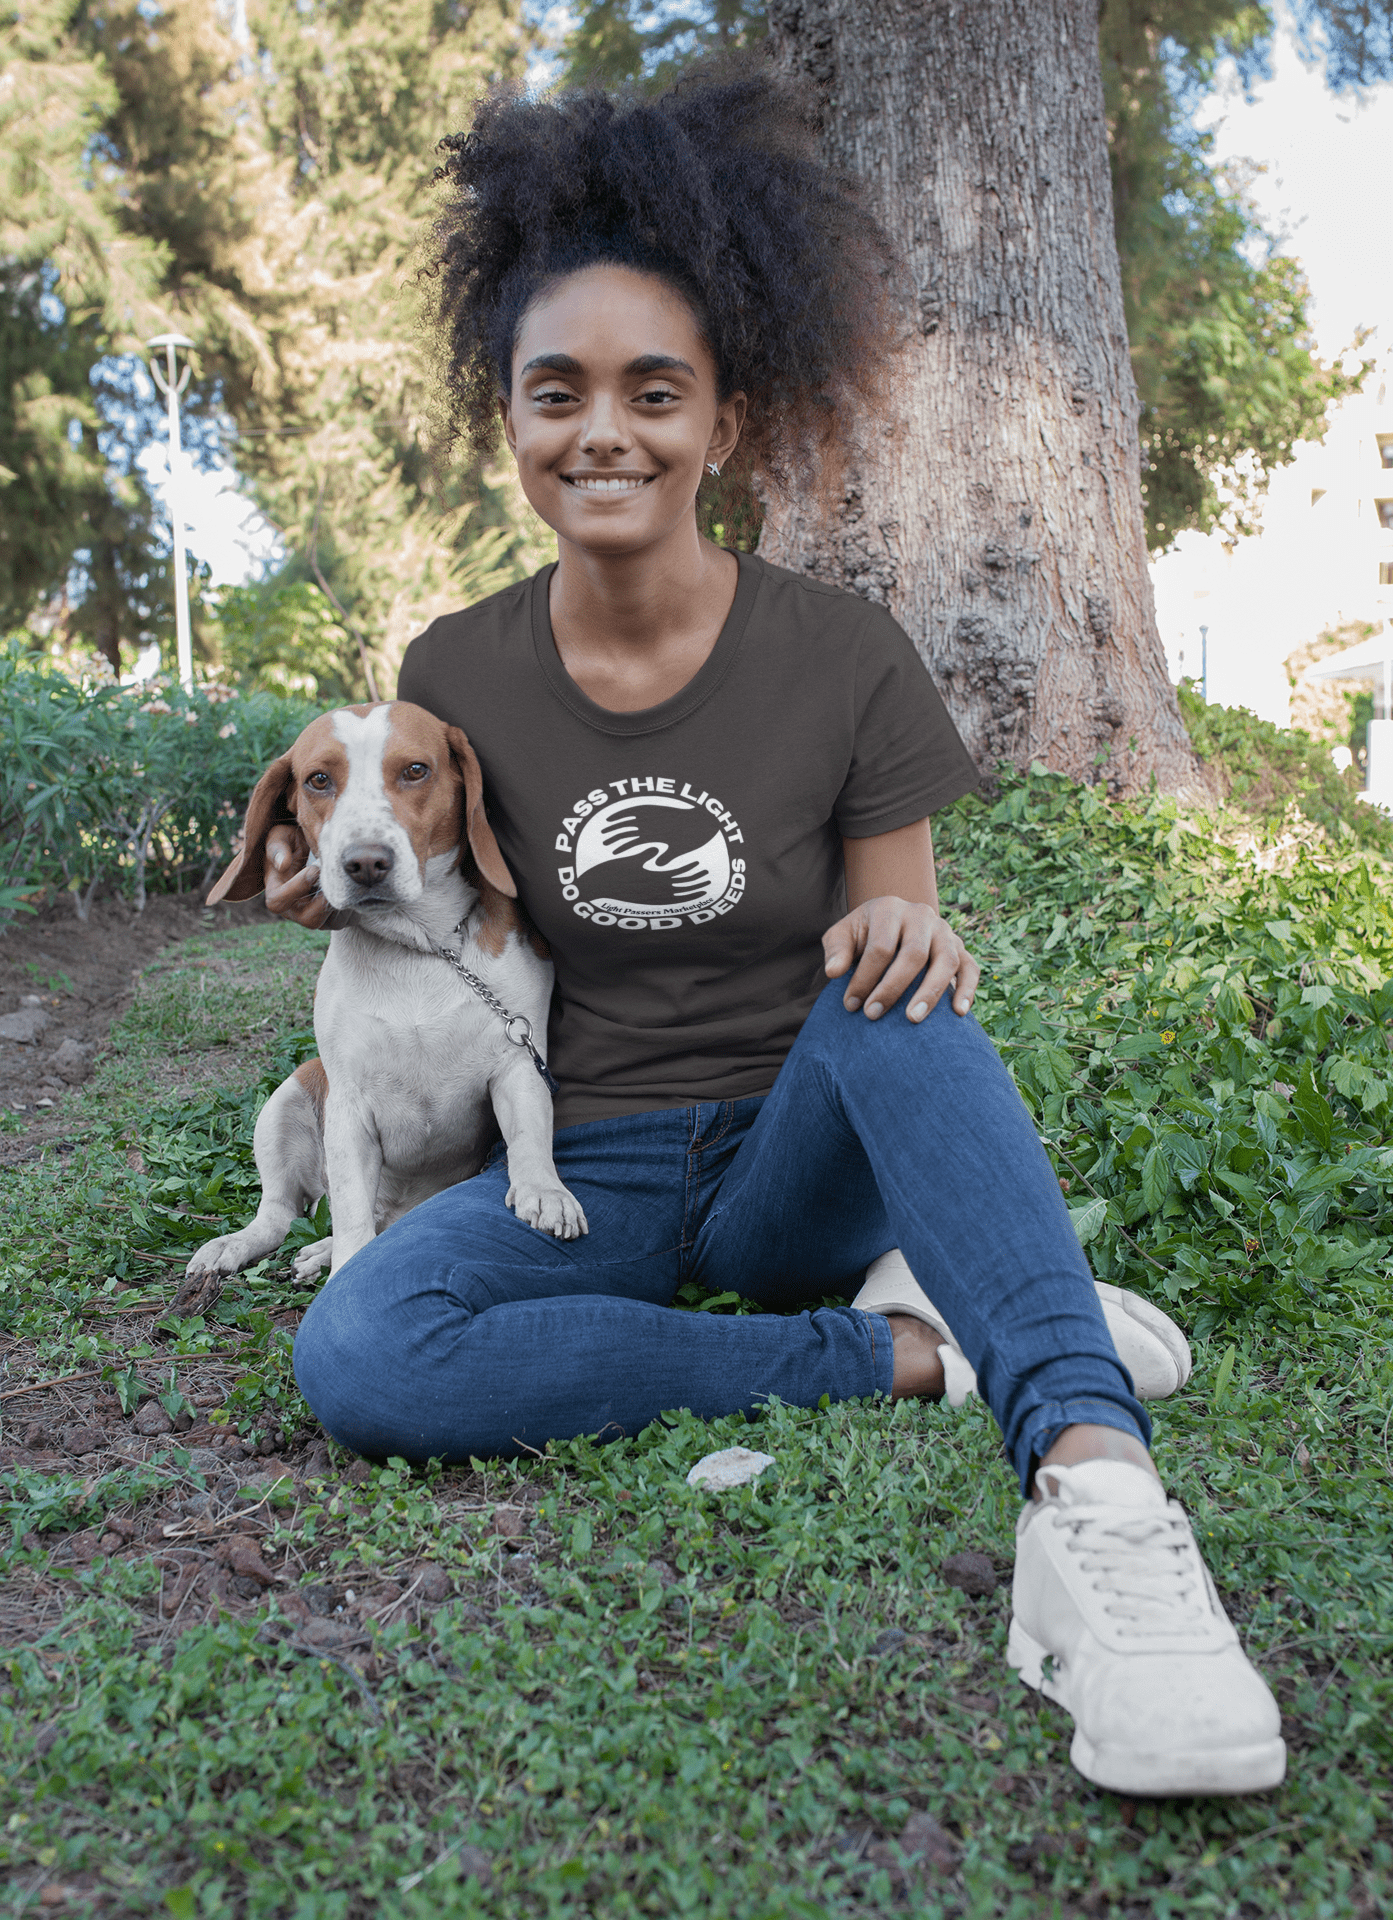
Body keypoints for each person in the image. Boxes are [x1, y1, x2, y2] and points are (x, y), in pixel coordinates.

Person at [267, 71, 1285, 1799]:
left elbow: (902, 924)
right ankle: (903, 1340)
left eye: (656, 392)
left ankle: (1097, 1495)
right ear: (508, 424)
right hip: (578, 1166)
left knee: (899, 994)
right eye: (558, 390)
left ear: (724, 422)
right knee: (361, 1352)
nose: (607, 430)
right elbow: (436, 914)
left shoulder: (843, 653)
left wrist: (909, 933)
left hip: (792, 1158)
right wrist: (344, 883)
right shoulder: (455, 675)